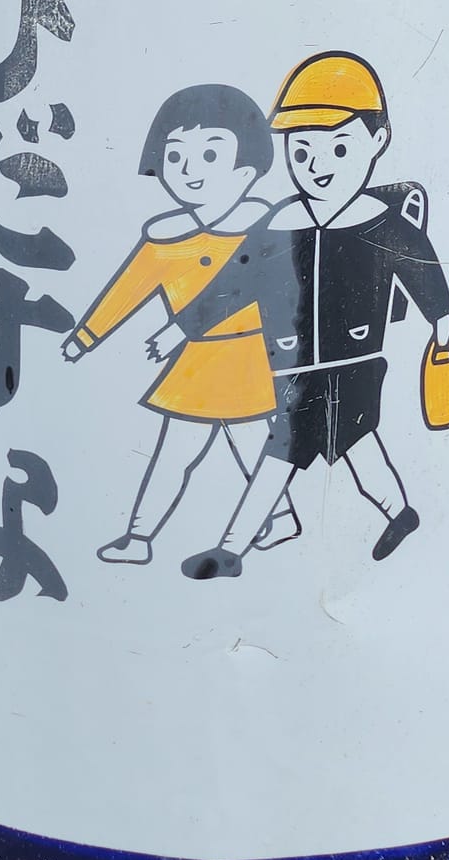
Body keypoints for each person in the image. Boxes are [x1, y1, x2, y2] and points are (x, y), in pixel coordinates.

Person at [148, 51, 449, 578]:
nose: (318, 165)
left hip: (355, 364)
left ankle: (234, 549)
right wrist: (183, 327)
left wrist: (442, 324)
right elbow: (234, 282)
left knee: (319, 451)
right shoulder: (279, 223)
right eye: (302, 151)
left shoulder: (381, 223)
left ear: (377, 141)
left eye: (339, 147)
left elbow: (423, 270)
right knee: (308, 453)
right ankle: (390, 514)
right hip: (293, 366)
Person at [62, 82, 298, 564]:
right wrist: (86, 336)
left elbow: (270, 294)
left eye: (210, 155)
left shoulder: (266, 231)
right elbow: (127, 290)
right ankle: (140, 537)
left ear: (248, 167)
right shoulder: (166, 237)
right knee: (177, 453)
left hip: (251, 359)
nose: (189, 170)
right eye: (175, 155)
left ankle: (276, 518)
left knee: (253, 447)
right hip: (196, 366)